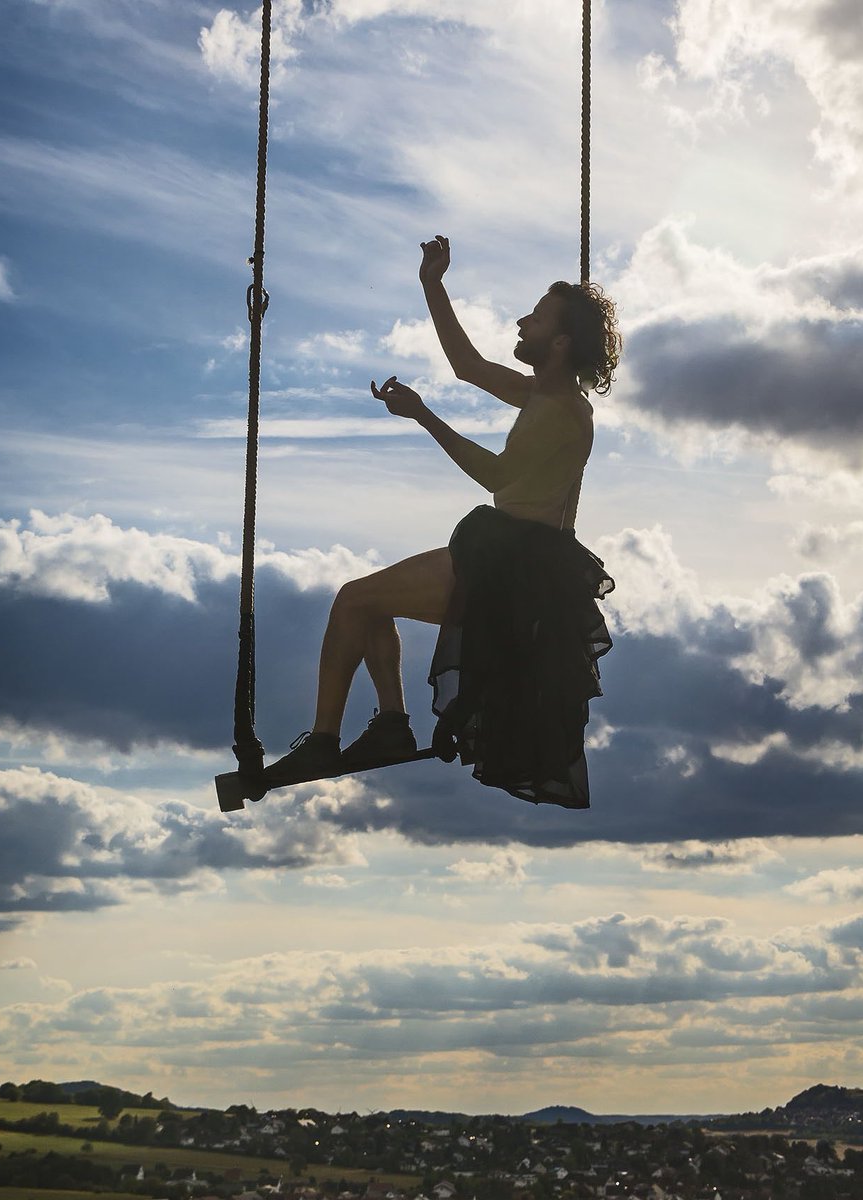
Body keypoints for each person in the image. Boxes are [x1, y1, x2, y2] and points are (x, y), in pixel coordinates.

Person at [263, 235, 620, 807]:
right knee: (365, 601)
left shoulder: (561, 411)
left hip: (515, 564)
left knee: (354, 600)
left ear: (559, 340)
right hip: (510, 556)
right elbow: (467, 366)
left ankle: (336, 739)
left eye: (536, 318)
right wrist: (433, 283)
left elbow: (497, 478)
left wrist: (424, 416)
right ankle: (386, 727)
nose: (522, 322)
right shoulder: (542, 393)